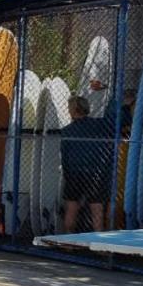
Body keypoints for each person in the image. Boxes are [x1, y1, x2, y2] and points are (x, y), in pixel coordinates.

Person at [60, 95, 114, 233]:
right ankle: (99, 246)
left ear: (73, 110)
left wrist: (67, 175)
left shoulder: (67, 131)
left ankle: (68, 243)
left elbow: (65, 157)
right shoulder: (100, 125)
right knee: (97, 211)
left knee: (71, 210)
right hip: (95, 172)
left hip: (74, 173)